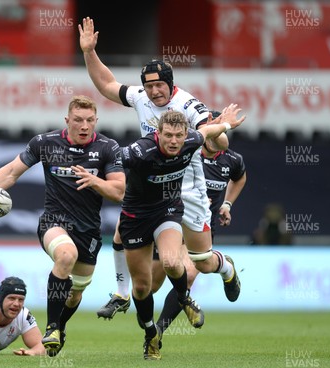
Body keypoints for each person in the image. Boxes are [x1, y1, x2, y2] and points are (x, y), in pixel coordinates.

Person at [78, 17, 241, 321]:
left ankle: (227, 268)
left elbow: (219, 144)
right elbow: (106, 85)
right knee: (120, 234)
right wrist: (89, 52)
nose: (153, 91)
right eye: (149, 85)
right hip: (150, 182)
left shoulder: (189, 105)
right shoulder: (140, 97)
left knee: (202, 260)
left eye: (158, 85)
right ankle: (121, 294)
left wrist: (222, 128)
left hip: (188, 186)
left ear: (171, 83)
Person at [0, 95, 125, 357]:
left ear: (96, 121)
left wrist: (94, 181)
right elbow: (11, 172)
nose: (84, 125)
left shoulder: (108, 148)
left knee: (75, 294)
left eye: (89, 120)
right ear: (67, 120)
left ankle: (60, 328)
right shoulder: (45, 143)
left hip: (89, 231)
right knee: (66, 255)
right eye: (78, 120)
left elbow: (119, 191)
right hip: (54, 222)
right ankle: (51, 327)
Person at [120, 107, 245, 360]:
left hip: (185, 213)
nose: (175, 140)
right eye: (169, 135)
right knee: (147, 286)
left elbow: (235, 170)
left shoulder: (223, 156)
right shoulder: (156, 150)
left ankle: (163, 327)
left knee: (184, 267)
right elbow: (113, 161)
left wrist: (227, 204)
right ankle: (151, 330)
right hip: (151, 214)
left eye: (179, 135)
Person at [154, 110, 248, 333]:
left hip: (199, 225)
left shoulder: (232, 160)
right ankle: (222, 266)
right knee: (150, 284)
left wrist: (227, 204)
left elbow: (240, 177)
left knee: (188, 275)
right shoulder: (185, 153)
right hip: (170, 221)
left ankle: (157, 332)